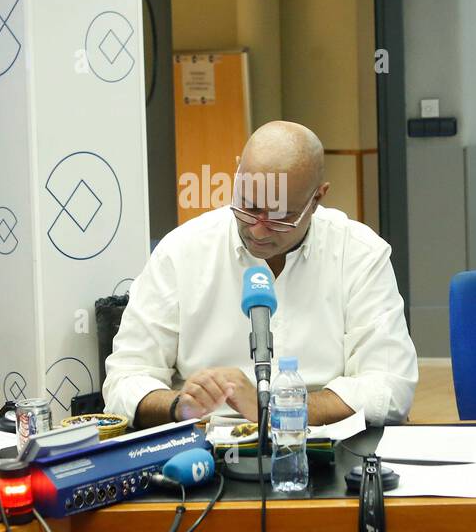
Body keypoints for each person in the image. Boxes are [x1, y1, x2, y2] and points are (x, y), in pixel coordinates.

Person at [104, 121, 418, 428]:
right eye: (248, 207)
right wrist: (179, 406)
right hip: (206, 447)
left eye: (280, 216)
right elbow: (124, 379)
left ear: (317, 198)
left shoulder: (359, 254)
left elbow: (390, 387)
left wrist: (276, 407)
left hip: (321, 443)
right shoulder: (182, 251)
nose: (258, 229)